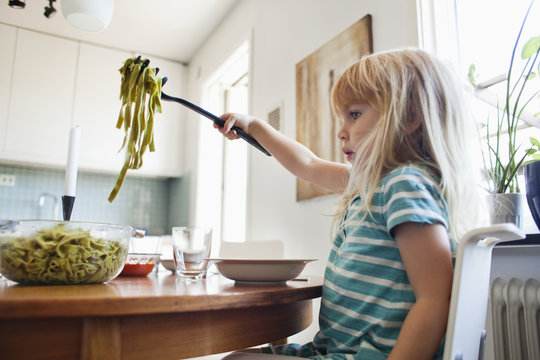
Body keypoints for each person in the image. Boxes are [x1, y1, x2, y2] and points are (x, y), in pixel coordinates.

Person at [214, 48, 485, 360]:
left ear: (410, 117)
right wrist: (254, 126)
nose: (341, 131)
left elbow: (435, 299)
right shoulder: (372, 183)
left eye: (354, 115)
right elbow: (307, 164)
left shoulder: (404, 185)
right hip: (337, 351)